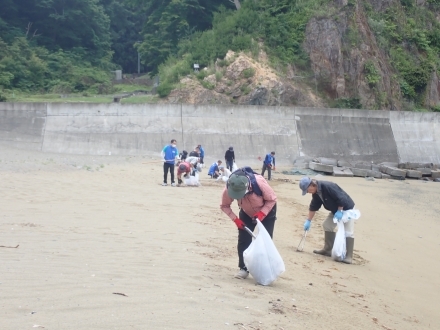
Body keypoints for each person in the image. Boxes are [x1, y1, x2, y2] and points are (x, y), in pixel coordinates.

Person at [220, 167, 277, 279]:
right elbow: (224, 206)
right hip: (246, 212)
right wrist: (235, 219)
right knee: (243, 239)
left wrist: (261, 214)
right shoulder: (228, 189)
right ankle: (244, 268)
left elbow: (272, 199)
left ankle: (265, 270)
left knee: (265, 240)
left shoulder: (259, 182)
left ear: (247, 188)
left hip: (266, 210)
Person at [299, 177, 355, 264]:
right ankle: (328, 249)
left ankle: (349, 256)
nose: (308, 192)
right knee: (327, 225)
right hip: (335, 210)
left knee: (348, 231)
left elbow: (341, 198)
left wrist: (340, 210)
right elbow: (313, 206)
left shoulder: (328, 186)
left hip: (347, 209)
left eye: (307, 190)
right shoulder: (316, 193)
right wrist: (308, 221)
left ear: (312, 185)